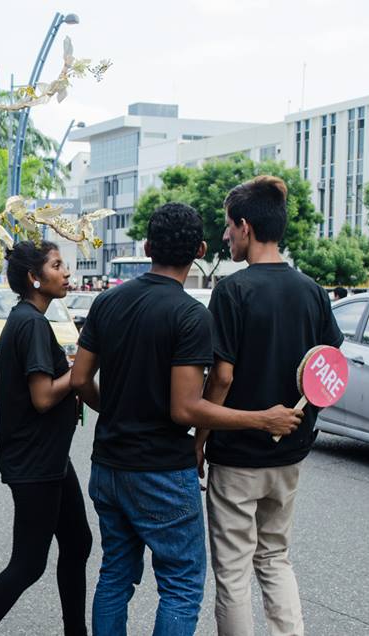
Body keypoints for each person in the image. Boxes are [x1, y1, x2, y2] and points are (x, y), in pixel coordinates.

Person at [70, 203, 301, 636]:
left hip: (109, 466)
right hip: (160, 470)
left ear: (146, 247)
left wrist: (115, 406)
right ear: (199, 250)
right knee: (180, 584)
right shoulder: (190, 315)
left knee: (115, 574)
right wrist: (262, 420)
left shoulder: (106, 302)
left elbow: (80, 379)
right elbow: (185, 408)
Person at [196, 176, 343, 636]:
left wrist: (200, 439)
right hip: (290, 453)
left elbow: (222, 377)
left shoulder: (233, 291)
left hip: (237, 455)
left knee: (234, 570)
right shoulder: (312, 290)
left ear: (246, 226)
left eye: (228, 226)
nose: (226, 235)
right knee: (275, 557)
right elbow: (327, 364)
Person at [0, 241, 93, 636]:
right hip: (36, 460)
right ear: (35, 277)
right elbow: (43, 397)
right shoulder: (31, 323)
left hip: (48, 456)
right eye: (57, 265)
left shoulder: (25, 318)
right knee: (28, 564)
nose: (66, 272)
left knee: (78, 542)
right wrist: (79, 372)